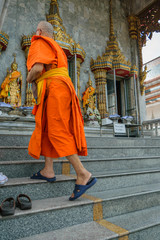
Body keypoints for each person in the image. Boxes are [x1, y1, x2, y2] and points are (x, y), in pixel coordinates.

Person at [26, 21, 97, 201]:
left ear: (39, 31)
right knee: (48, 127)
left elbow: (37, 69)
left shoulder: (39, 41)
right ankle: (48, 170)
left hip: (55, 90)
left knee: (57, 130)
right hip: (62, 88)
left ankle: (82, 173)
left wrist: (28, 79)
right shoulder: (56, 47)